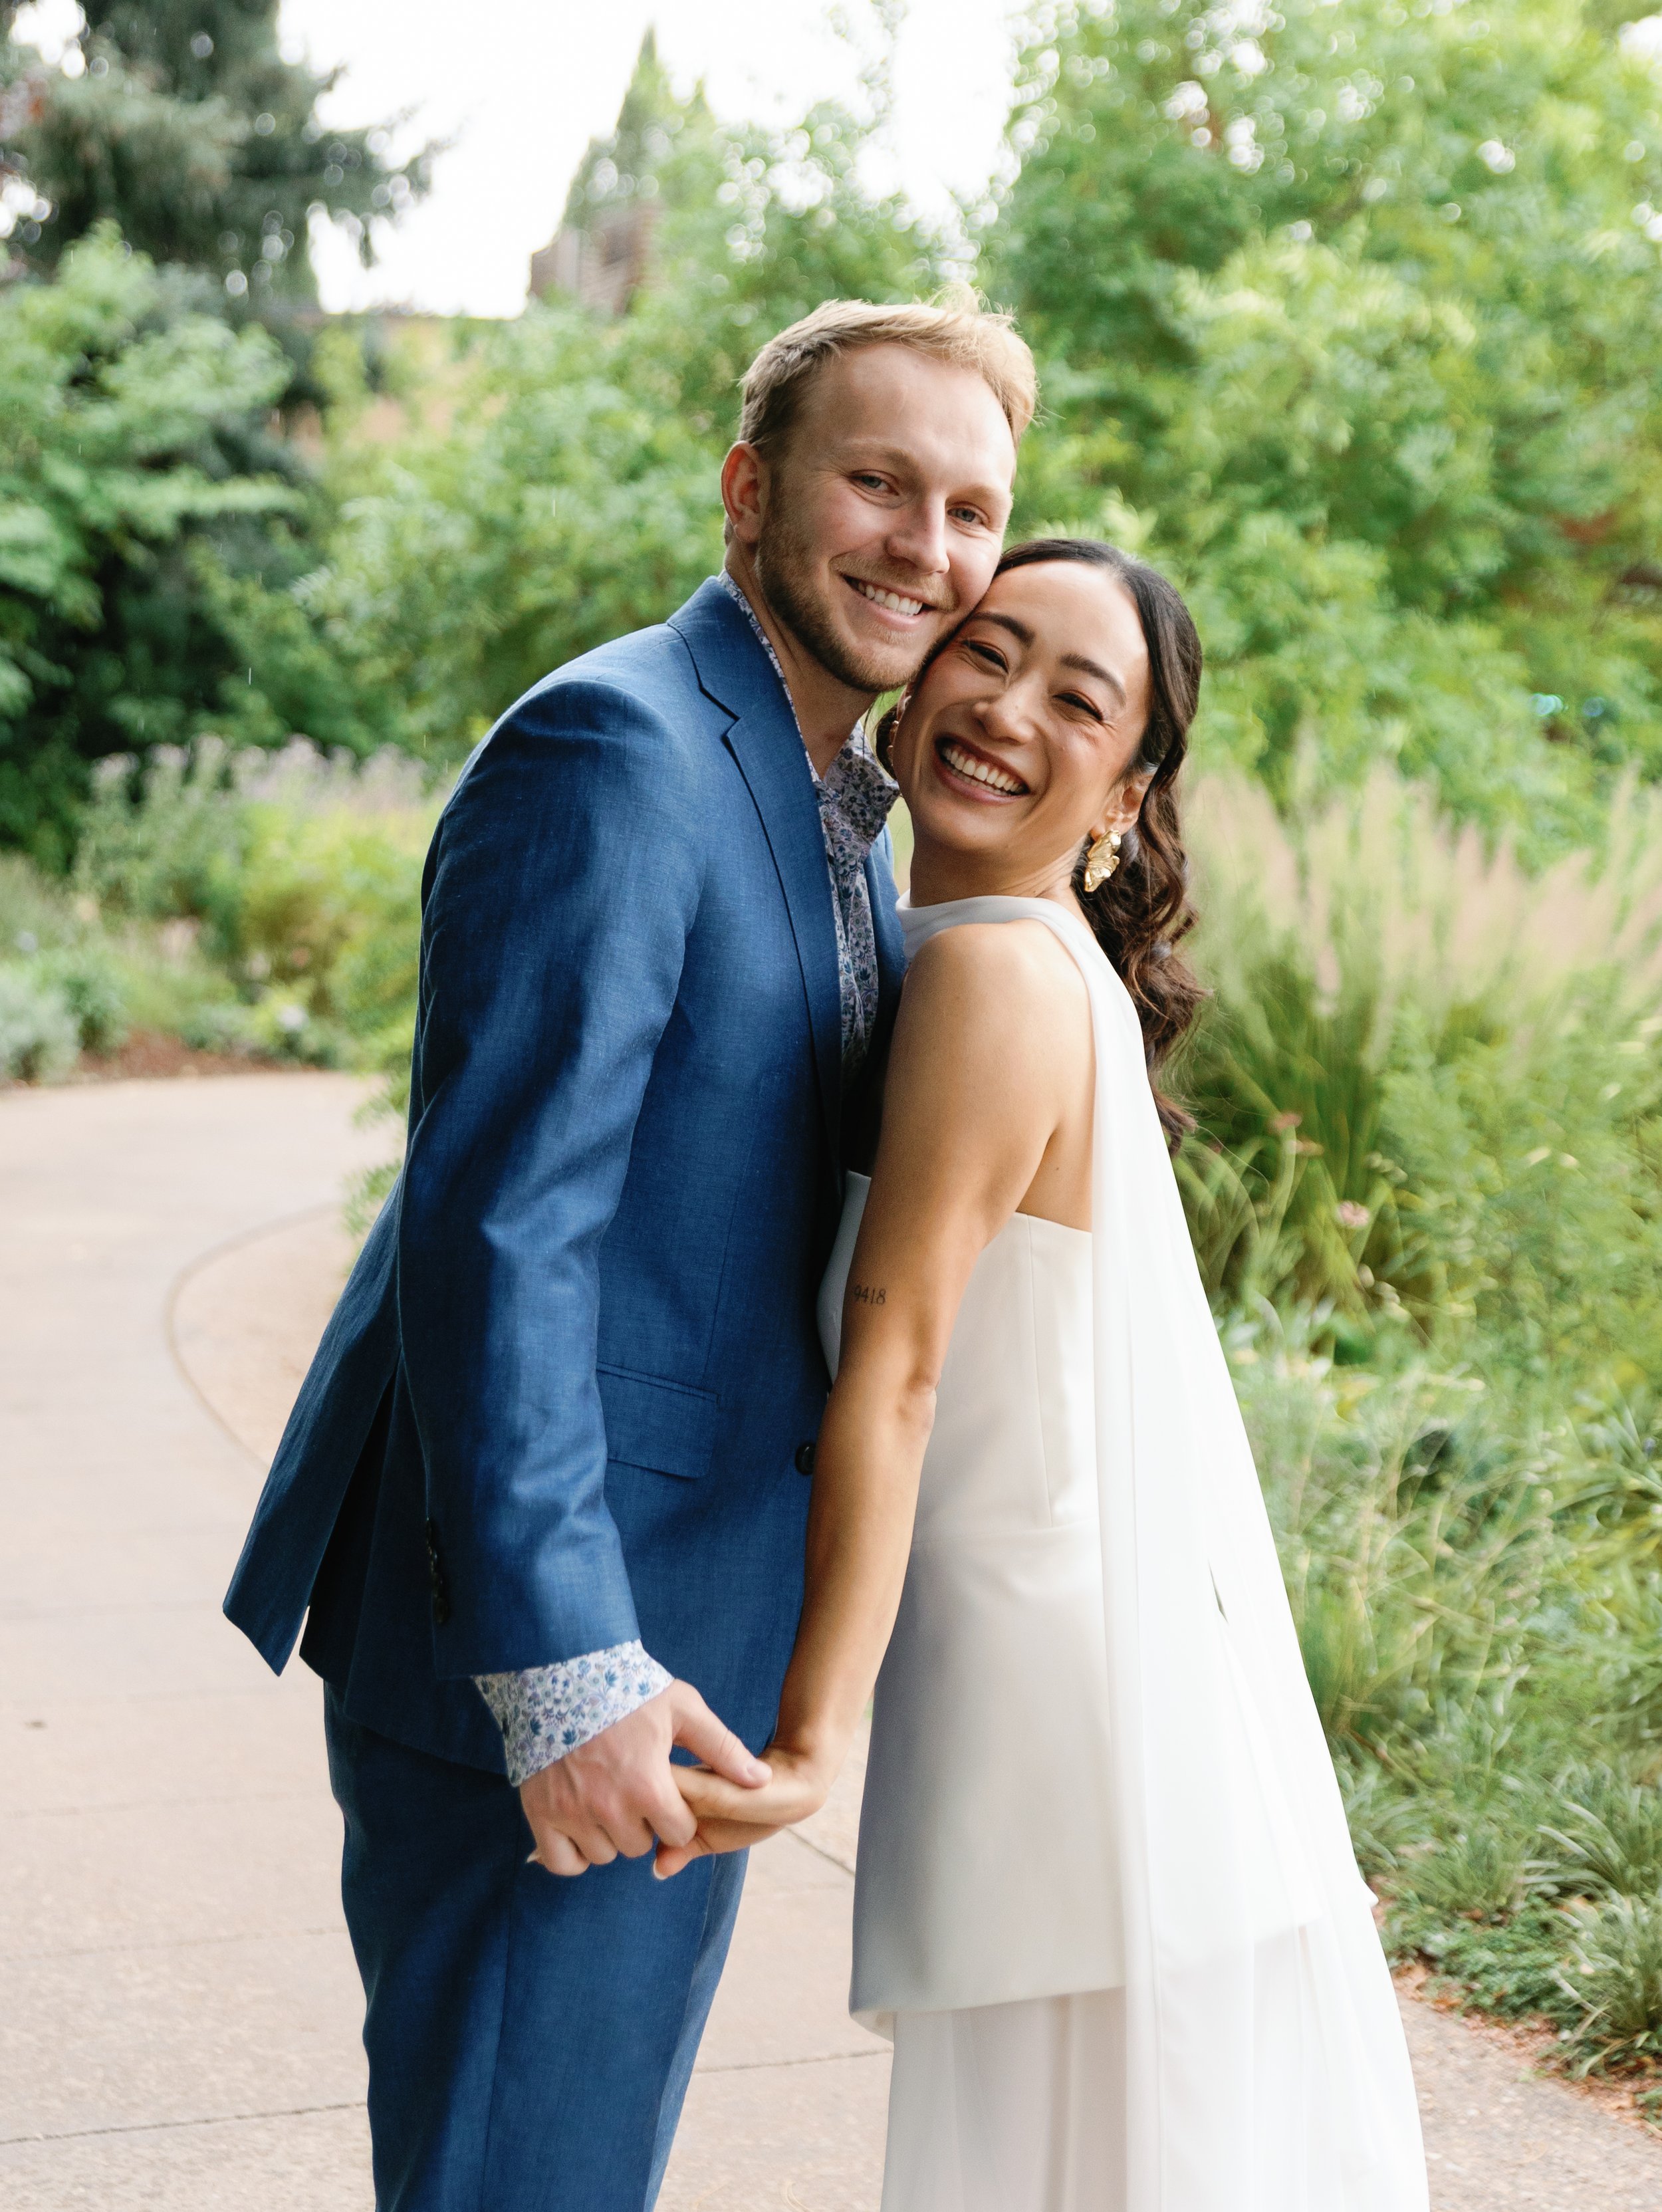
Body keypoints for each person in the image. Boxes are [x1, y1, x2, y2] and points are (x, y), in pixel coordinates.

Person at [221, 295, 1035, 2211]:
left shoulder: (832, 801)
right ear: (750, 487)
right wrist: (565, 1670)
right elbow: (504, 1228)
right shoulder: (617, 748)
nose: (927, 548)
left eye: (972, 510)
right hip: (565, 1652)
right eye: (879, 485)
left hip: (691, 1630)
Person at [665, 539, 1431, 2211]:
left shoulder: (995, 974)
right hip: (1078, 1713)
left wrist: (809, 1740)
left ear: (1125, 791)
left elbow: (903, 1360)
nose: (1002, 708)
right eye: (984, 650)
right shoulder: (991, 949)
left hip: (1060, 1732)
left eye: (1073, 698)